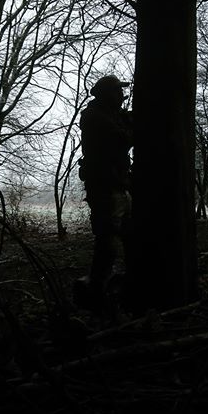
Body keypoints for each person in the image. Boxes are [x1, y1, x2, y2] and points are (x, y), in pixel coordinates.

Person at [74, 74, 133, 315]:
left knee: (127, 235)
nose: (122, 96)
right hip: (104, 186)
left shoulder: (109, 114)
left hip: (117, 184)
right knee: (107, 240)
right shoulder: (94, 117)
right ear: (107, 94)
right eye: (118, 91)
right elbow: (124, 139)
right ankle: (96, 292)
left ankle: (111, 288)